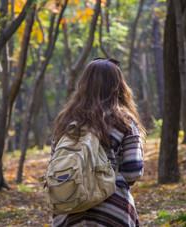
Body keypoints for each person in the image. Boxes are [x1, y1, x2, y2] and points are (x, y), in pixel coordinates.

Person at [50, 57, 145, 227]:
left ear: (83, 85)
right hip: (113, 209)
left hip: (68, 208)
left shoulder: (65, 121)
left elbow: (55, 163)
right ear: (118, 85)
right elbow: (133, 170)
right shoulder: (124, 121)